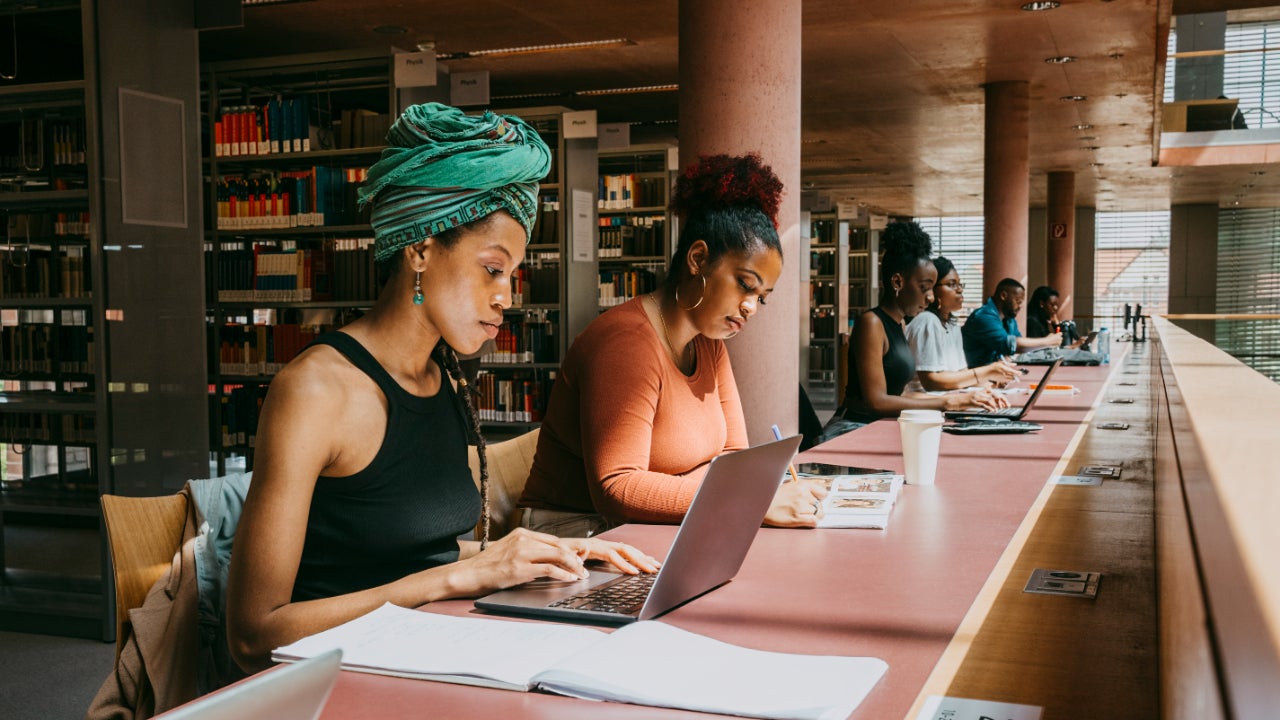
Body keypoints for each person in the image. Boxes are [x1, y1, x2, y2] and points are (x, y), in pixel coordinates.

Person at [225, 103, 658, 673]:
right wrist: (453, 577)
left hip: (420, 653)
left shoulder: (443, 374)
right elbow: (253, 635)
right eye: (492, 268)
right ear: (422, 249)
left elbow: (408, 550)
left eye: (514, 275)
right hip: (328, 682)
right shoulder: (315, 392)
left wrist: (535, 554)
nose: (508, 296)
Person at [518, 153, 826, 536]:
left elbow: (731, 457)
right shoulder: (626, 344)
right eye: (746, 285)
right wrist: (748, 500)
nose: (751, 307)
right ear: (698, 258)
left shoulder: (709, 341)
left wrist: (724, 489)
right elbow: (619, 487)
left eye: (762, 297)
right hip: (574, 533)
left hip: (649, 526)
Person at [816, 222, 1004, 444]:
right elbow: (876, 402)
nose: (931, 298)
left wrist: (964, 398)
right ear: (898, 282)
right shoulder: (872, 323)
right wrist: (949, 403)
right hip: (852, 429)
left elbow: (900, 396)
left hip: (878, 426)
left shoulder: (900, 324)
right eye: (925, 288)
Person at [905, 256, 1019, 392]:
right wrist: (986, 371)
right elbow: (931, 382)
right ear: (933, 290)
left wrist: (990, 382)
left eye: (959, 284)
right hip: (923, 406)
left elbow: (961, 373)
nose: (959, 290)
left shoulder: (952, 326)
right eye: (951, 284)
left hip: (949, 400)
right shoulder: (927, 321)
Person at [961, 277, 1062, 367]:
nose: (1021, 306)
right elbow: (1010, 344)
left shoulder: (1009, 319)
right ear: (1004, 295)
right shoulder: (984, 316)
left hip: (993, 374)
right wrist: (1048, 341)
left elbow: (1020, 346)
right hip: (974, 376)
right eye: (1018, 301)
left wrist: (1009, 356)